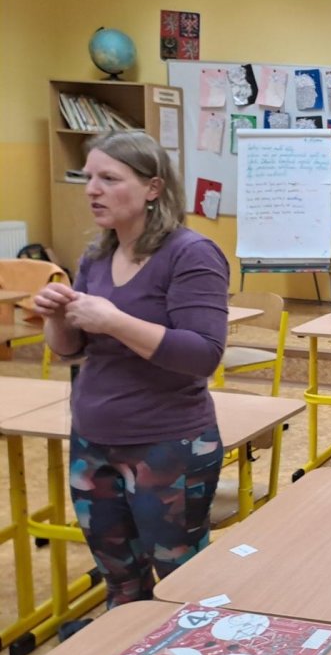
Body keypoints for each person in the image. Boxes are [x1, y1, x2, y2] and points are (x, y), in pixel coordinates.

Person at [33, 132, 229, 627]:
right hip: (93, 441)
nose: (92, 189)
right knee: (120, 581)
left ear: (153, 188)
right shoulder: (96, 257)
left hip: (168, 445)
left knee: (182, 582)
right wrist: (56, 317)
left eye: (109, 178)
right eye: (88, 178)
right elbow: (71, 350)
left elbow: (203, 355)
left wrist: (114, 320)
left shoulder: (191, 254)